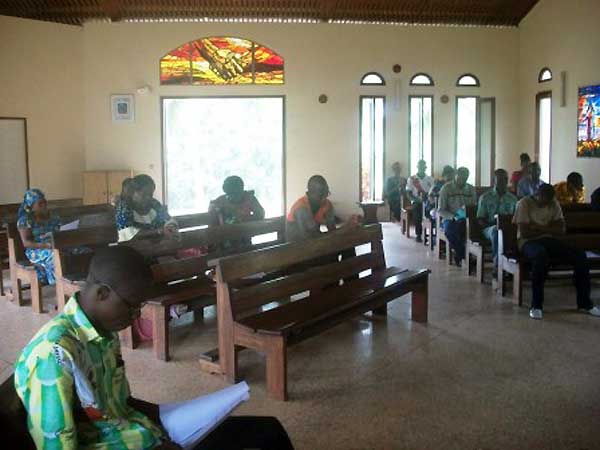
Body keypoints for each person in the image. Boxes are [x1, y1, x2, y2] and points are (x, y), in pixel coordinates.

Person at [14, 246, 294, 450]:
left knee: (267, 430)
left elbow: (119, 403)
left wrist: (168, 414)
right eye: (132, 306)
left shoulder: (102, 332)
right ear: (102, 294)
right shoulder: (54, 355)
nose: (137, 315)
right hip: (124, 443)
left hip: (143, 433)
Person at [513, 183, 600, 320]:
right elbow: (525, 232)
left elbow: (560, 229)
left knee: (579, 255)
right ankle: (536, 305)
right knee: (540, 256)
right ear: (537, 195)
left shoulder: (553, 203)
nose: (547, 203)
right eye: (544, 200)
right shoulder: (524, 203)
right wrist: (549, 228)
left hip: (549, 240)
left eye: (549, 200)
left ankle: (585, 303)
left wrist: (538, 227)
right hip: (527, 243)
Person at [476, 169, 518, 274]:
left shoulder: (513, 199)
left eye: (505, 179)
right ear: (494, 180)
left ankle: (514, 267)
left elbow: (516, 218)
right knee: (496, 231)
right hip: (490, 228)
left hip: (508, 228)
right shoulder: (485, 197)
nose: (503, 182)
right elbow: (480, 218)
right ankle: (498, 267)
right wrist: (494, 226)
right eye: (499, 179)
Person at [17, 189, 61, 285]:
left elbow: (60, 230)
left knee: (80, 250)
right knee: (54, 255)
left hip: (55, 245)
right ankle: (57, 285)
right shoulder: (25, 220)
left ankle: (78, 283)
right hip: (36, 250)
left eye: (44, 202)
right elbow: (26, 243)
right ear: (31, 206)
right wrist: (45, 245)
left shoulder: (53, 216)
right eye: (40, 203)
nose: (44, 205)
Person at [115, 174, 178, 242]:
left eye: (150, 194)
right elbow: (129, 233)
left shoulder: (154, 204)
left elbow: (167, 218)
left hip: (156, 245)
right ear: (133, 192)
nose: (148, 198)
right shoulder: (124, 207)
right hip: (130, 247)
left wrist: (171, 226)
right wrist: (159, 231)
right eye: (144, 194)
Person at [437, 167, 477, 266]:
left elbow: (474, 206)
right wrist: (453, 216)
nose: (463, 180)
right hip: (450, 218)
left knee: (470, 229)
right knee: (450, 230)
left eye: (465, 178)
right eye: (461, 177)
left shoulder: (471, 189)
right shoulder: (446, 188)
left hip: (466, 218)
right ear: (456, 175)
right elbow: (441, 210)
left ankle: (460, 254)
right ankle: (463, 255)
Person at [286, 175, 337, 242]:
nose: (324, 198)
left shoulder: (326, 204)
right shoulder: (300, 208)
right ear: (310, 193)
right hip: (296, 244)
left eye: (326, 193)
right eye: (321, 195)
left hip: (313, 241)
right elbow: (310, 236)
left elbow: (332, 231)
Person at [406, 160, 435, 242]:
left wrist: (430, 199)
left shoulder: (430, 179)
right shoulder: (412, 179)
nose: (422, 168)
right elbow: (408, 193)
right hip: (416, 201)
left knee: (434, 212)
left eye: (423, 166)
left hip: (428, 201)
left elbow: (433, 191)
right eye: (420, 166)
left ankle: (433, 233)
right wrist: (415, 199)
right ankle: (418, 234)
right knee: (417, 213)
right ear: (417, 167)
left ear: (426, 168)